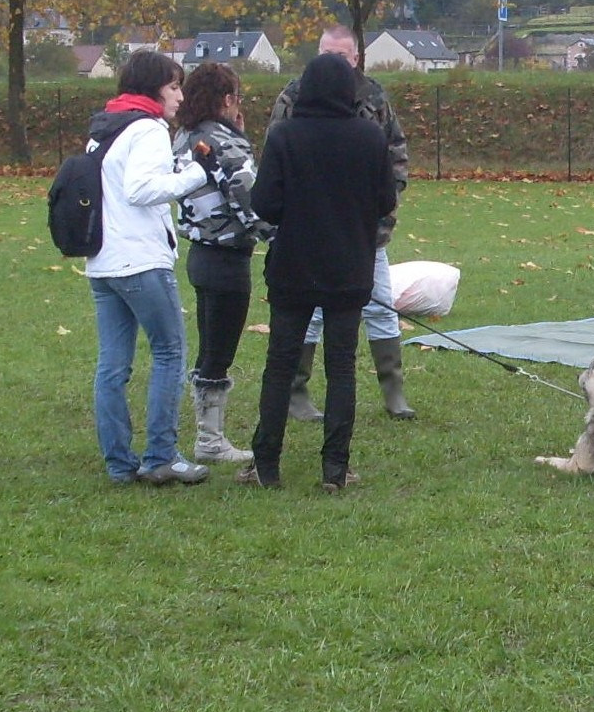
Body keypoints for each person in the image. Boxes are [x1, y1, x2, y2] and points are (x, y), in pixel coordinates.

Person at [242, 53, 397, 490]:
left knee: (280, 365)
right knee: (342, 367)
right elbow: (386, 199)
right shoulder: (368, 136)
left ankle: (266, 463)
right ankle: (334, 468)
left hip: (294, 265)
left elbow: (265, 204)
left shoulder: (285, 135)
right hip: (349, 265)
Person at [268, 25, 415, 422]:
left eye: (342, 56)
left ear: (356, 58)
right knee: (312, 313)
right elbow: (274, 160)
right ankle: (297, 391)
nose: (334, 63)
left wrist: (385, 205)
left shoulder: (375, 96)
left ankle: (393, 391)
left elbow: (395, 154)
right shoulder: (292, 98)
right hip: (308, 233)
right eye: (326, 54)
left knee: (382, 306)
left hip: (365, 232)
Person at [84, 51, 213, 485]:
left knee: (113, 366)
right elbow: (141, 190)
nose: (179, 95)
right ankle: (161, 455)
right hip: (140, 259)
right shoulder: (148, 128)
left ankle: (120, 465)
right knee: (169, 352)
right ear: (153, 88)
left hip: (103, 261)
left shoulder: (105, 127)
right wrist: (195, 175)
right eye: (174, 86)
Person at [172, 63, 273, 464]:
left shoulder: (184, 136)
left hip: (200, 252)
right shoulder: (224, 141)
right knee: (218, 349)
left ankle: (208, 435)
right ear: (228, 99)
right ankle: (209, 439)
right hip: (226, 255)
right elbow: (249, 198)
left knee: (212, 342)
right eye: (238, 97)